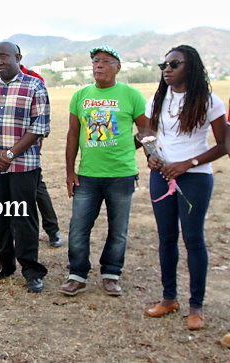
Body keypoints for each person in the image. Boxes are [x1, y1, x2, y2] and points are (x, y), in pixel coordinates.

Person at [143, 45, 226, 330]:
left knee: (193, 239)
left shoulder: (209, 101)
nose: (167, 69)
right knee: (166, 238)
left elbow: (223, 145)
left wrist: (188, 164)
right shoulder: (158, 99)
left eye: (174, 64)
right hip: (162, 176)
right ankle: (169, 299)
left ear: (190, 67)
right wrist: (151, 156)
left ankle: (196, 306)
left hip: (195, 178)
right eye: (163, 65)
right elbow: (148, 134)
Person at [61, 45, 147, 297]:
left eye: (106, 61)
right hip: (88, 176)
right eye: (96, 61)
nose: (99, 65)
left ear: (118, 67)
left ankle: (111, 274)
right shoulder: (80, 96)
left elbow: (147, 129)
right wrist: (70, 172)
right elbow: (73, 135)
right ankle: (77, 274)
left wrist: (129, 147)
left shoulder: (131, 95)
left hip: (121, 174)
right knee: (79, 227)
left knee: (118, 229)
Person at [0, 41, 49, 293]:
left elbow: (39, 127)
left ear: (18, 57)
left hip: (23, 166)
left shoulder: (34, 86)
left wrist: (11, 153)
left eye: (3, 56)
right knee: (0, 216)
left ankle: (31, 270)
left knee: (24, 218)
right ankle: (2, 265)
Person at [19, 65, 63, 248]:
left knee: (37, 188)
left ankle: (52, 230)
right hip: (7, 149)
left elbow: (41, 114)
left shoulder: (33, 78)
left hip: (28, 147)